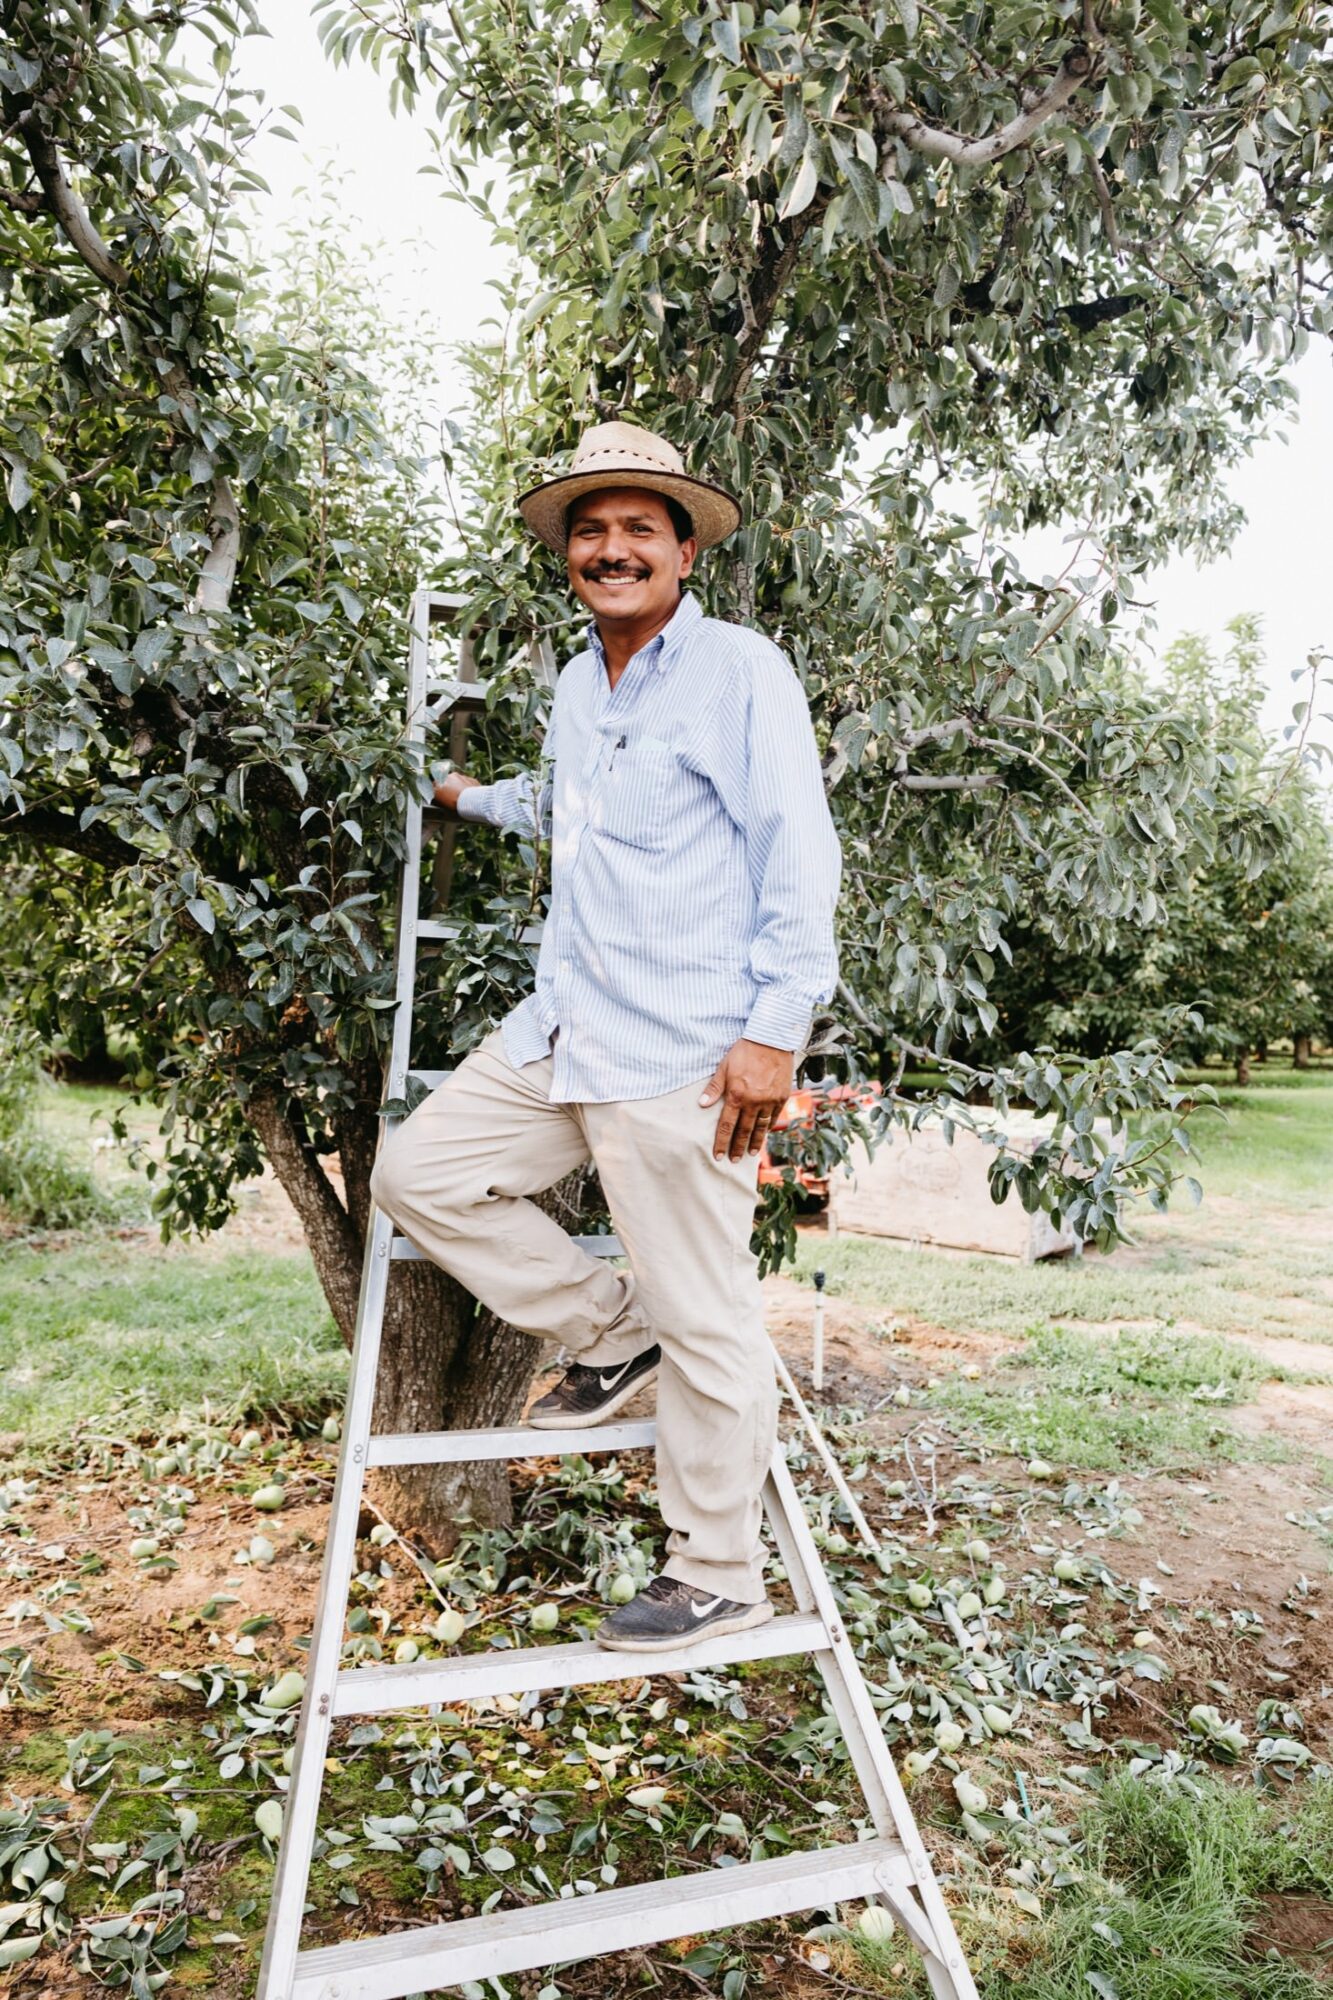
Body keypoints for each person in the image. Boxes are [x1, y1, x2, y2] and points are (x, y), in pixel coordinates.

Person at [370, 419, 841, 1652]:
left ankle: (718, 1567)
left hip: (689, 1050)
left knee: (710, 1314)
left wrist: (775, 1031)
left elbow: (797, 846)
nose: (613, 549)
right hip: (567, 1023)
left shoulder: (742, 670)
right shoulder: (583, 683)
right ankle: (603, 1324)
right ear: (567, 556)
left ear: (686, 551)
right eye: (592, 531)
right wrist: (466, 798)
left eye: (641, 528)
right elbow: (576, 811)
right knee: (417, 1173)